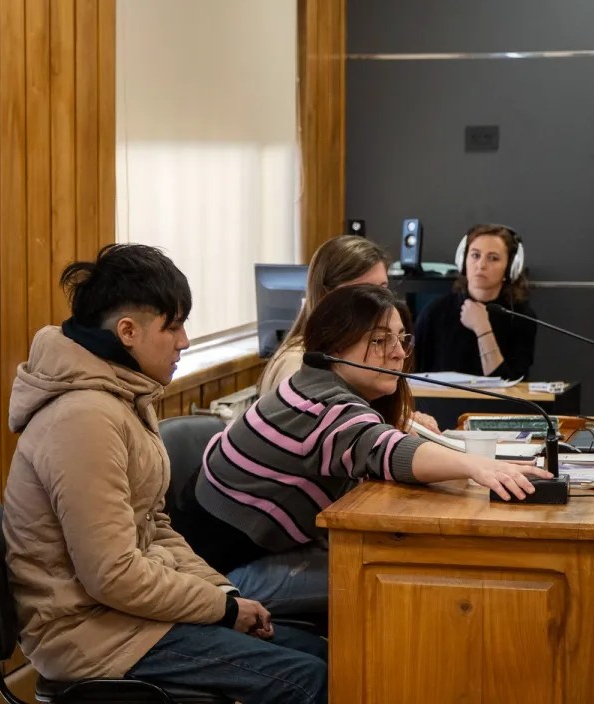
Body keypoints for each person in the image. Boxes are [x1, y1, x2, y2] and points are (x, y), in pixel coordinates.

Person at [2, 244, 328, 704]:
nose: (185, 341)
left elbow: (155, 528)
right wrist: (221, 609)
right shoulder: (84, 419)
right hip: (91, 635)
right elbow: (112, 574)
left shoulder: (123, 397)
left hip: (124, 618)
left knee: (323, 655)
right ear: (128, 331)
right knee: (310, 680)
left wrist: (223, 592)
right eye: (172, 326)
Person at [195, 285, 549, 620]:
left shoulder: (314, 384)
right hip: (228, 574)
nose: (397, 352)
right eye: (380, 340)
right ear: (334, 347)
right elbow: (385, 449)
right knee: (406, 578)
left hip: (263, 549)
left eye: (401, 338)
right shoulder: (320, 405)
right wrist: (477, 466)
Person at [258, 235, 440, 434]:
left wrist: (404, 417)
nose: (380, 303)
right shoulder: (298, 364)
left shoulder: (357, 355)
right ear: (326, 296)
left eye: (383, 290)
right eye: (364, 293)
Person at [415, 224, 537, 379]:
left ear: (511, 267)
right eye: (475, 255)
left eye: (493, 258)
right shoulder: (435, 312)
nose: (481, 265)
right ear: (462, 260)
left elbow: (507, 384)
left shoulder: (521, 316)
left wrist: (483, 329)